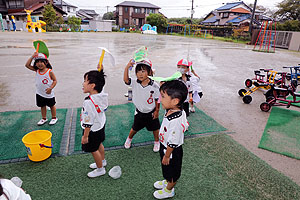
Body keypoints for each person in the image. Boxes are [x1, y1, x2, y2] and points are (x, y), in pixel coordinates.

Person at [153, 80, 189, 199]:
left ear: (175, 101)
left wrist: (167, 155)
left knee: (173, 172)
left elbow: (173, 142)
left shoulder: (176, 122)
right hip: (166, 146)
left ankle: (169, 189)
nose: (160, 99)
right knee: (166, 169)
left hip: (171, 150)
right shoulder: (172, 109)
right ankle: (167, 180)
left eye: (163, 97)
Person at [123, 58, 161, 152]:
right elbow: (126, 80)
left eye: (143, 71)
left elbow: (157, 99)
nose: (140, 73)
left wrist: (156, 111)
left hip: (151, 112)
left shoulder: (154, 85)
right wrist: (127, 67)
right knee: (134, 128)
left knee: (155, 129)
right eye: (138, 71)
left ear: (149, 72)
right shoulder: (135, 83)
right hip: (139, 112)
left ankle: (157, 141)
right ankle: (129, 139)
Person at [81, 70, 108, 178]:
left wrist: (85, 136)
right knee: (99, 144)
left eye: (85, 81)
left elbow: (88, 121)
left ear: (92, 86)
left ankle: (100, 169)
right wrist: (100, 70)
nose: (82, 84)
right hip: (100, 126)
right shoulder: (101, 95)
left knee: (93, 149)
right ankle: (102, 161)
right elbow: (102, 85)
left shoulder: (88, 102)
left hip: (92, 130)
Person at [25, 52, 58, 125]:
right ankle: (44, 118)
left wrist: (50, 88)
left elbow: (55, 81)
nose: (39, 64)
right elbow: (27, 65)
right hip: (39, 93)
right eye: (37, 62)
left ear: (46, 62)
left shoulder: (49, 71)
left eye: (41, 62)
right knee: (42, 106)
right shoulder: (36, 70)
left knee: (52, 105)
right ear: (35, 63)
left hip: (48, 93)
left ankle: (54, 117)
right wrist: (32, 56)